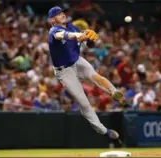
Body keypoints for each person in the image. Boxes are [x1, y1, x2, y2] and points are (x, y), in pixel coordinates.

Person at [48, 6, 125, 140]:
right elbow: (64, 35)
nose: (62, 14)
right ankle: (103, 130)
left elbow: (87, 44)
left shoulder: (72, 27)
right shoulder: (54, 31)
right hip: (64, 71)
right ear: (53, 19)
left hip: (77, 61)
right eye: (58, 14)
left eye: (62, 12)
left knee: (95, 76)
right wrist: (79, 35)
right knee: (83, 102)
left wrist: (88, 38)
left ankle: (114, 92)